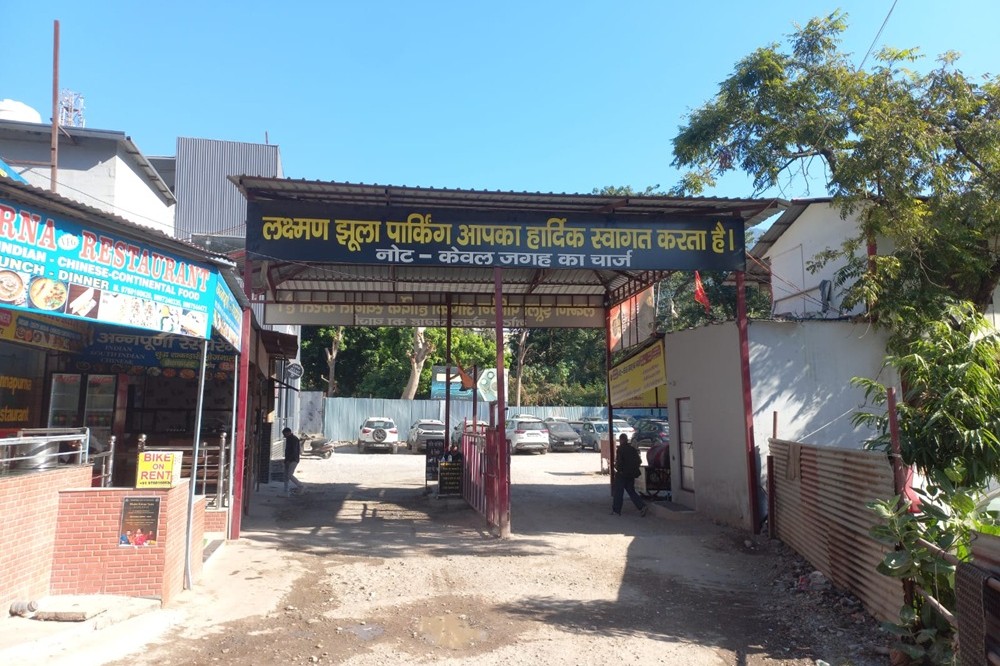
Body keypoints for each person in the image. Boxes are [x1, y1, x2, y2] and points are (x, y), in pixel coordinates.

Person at [612, 432, 648, 517]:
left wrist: (617, 468)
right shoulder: (632, 449)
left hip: (622, 474)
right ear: (627, 440)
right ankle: (642, 506)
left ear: (621, 440)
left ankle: (616, 510)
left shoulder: (620, 449)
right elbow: (639, 461)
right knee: (631, 492)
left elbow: (619, 462)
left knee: (618, 493)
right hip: (631, 474)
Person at [282, 427, 305, 497]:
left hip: (293, 460)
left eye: (284, 434)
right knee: (286, 475)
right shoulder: (290, 439)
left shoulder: (294, 439)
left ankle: (300, 485)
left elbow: (294, 451)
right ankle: (286, 490)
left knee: (289, 474)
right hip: (289, 459)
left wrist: (288, 460)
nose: (284, 435)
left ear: (288, 432)